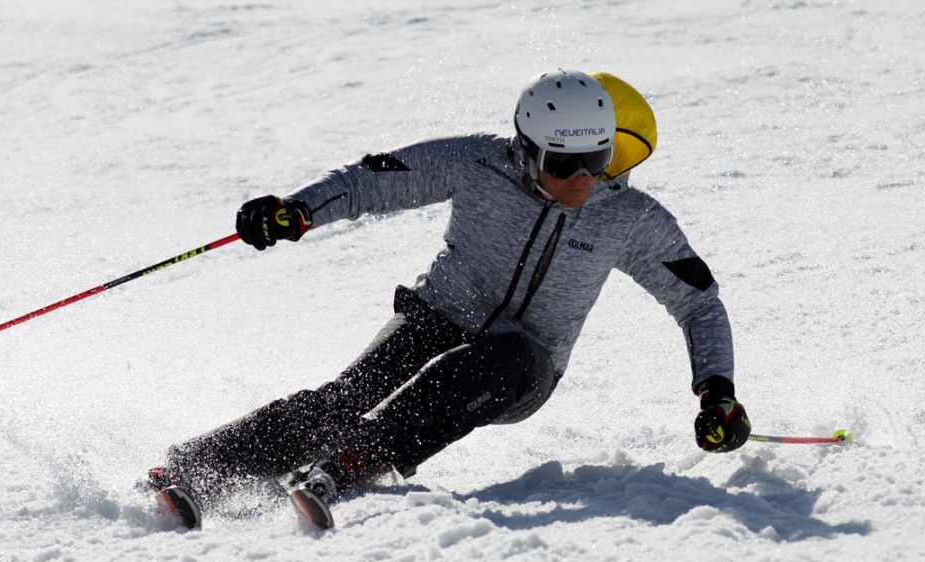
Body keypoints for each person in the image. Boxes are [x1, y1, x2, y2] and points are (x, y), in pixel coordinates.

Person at [146, 70, 752, 529]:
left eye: (597, 160)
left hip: (523, 365)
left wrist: (717, 391)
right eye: (565, 163)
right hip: (439, 314)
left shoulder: (631, 218)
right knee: (349, 395)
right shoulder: (477, 162)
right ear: (527, 148)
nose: (583, 179)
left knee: (498, 361)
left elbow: (699, 303)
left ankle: (350, 465)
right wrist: (297, 210)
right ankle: (200, 469)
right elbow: (372, 182)